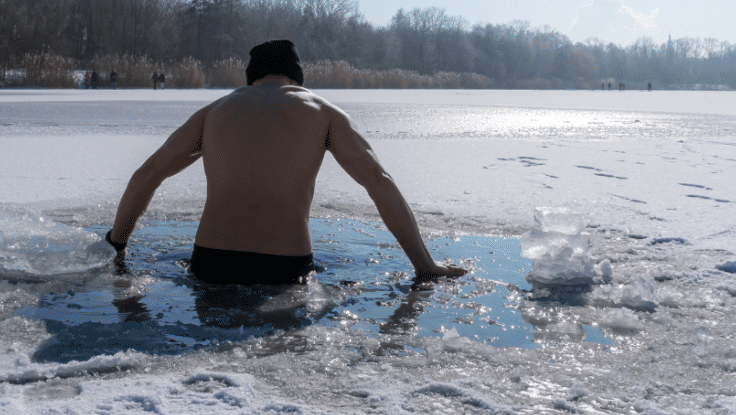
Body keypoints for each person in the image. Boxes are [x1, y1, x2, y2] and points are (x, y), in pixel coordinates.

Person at [106, 39, 468, 285]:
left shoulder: (214, 112)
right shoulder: (324, 113)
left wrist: (117, 243)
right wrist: (425, 265)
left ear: (252, 76)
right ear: (297, 77)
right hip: (285, 267)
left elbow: (147, 175)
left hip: (211, 262)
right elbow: (379, 182)